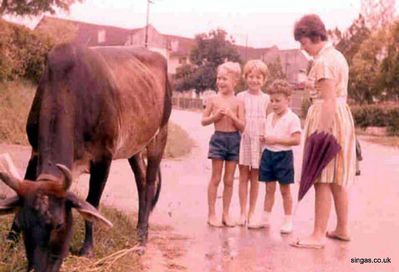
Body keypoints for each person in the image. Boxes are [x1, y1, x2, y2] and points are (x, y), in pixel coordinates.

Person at [291, 14, 356, 248]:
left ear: (314, 36)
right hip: (341, 115)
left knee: (322, 177)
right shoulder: (336, 56)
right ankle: (342, 228)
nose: (303, 48)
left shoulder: (323, 61)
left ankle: (317, 235)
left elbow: (328, 100)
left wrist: (321, 135)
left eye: (304, 42)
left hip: (328, 117)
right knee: (337, 177)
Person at [201, 61, 245, 227]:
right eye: (218, 78)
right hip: (218, 139)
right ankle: (211, 213)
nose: (220, 82)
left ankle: (226, 213)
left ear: (235, 81)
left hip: (234, 140)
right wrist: (215, 117)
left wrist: (233, 117)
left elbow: (243, 126)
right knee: (216, 178)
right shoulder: (213, 99)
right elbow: (203, 121)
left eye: (224, 79)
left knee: (229, 179)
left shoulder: (238, 101)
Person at [259, 79, 301, 234]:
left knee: (285, 190)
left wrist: (276, 140)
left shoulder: (292, 118)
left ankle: (288, 220)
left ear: (288, 100)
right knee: (269, 189)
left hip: (283, 156)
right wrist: (265, 138)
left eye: (278, 101)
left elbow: (296, 140)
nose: (274, 104)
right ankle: (265, 219)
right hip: (268, 154)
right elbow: (269, 135)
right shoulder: (270, 117)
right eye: (272, 101)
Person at [236, 59, 270, 228]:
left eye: (258, 77)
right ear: (245, 77)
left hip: (260, 141)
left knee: (255, 177)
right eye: (251, 76)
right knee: (243, 176)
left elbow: (271, 120)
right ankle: (242, 211)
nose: (254, 80)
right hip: (244, 139)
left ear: (264, 80)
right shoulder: (240, 97)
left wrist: (268, 136)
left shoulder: (267, 99)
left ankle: (252, 212)